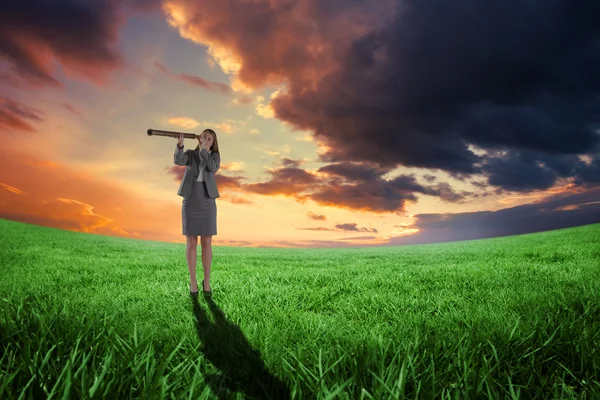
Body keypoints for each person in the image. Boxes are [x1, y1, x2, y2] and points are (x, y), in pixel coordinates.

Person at [173, 129, 221, 296]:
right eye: (204, 137)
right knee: (191, 243)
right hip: (191, 199)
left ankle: (206, 281)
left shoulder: (214, 156)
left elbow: (212, 168)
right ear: (199, 138)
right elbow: (178, 160)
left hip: (207, 200)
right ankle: (193, 282)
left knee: (206, 243)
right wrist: (180, 145)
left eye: (210, 139)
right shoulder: (191, 154)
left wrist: (204, 150)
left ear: (213, 142)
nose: (206, 140)